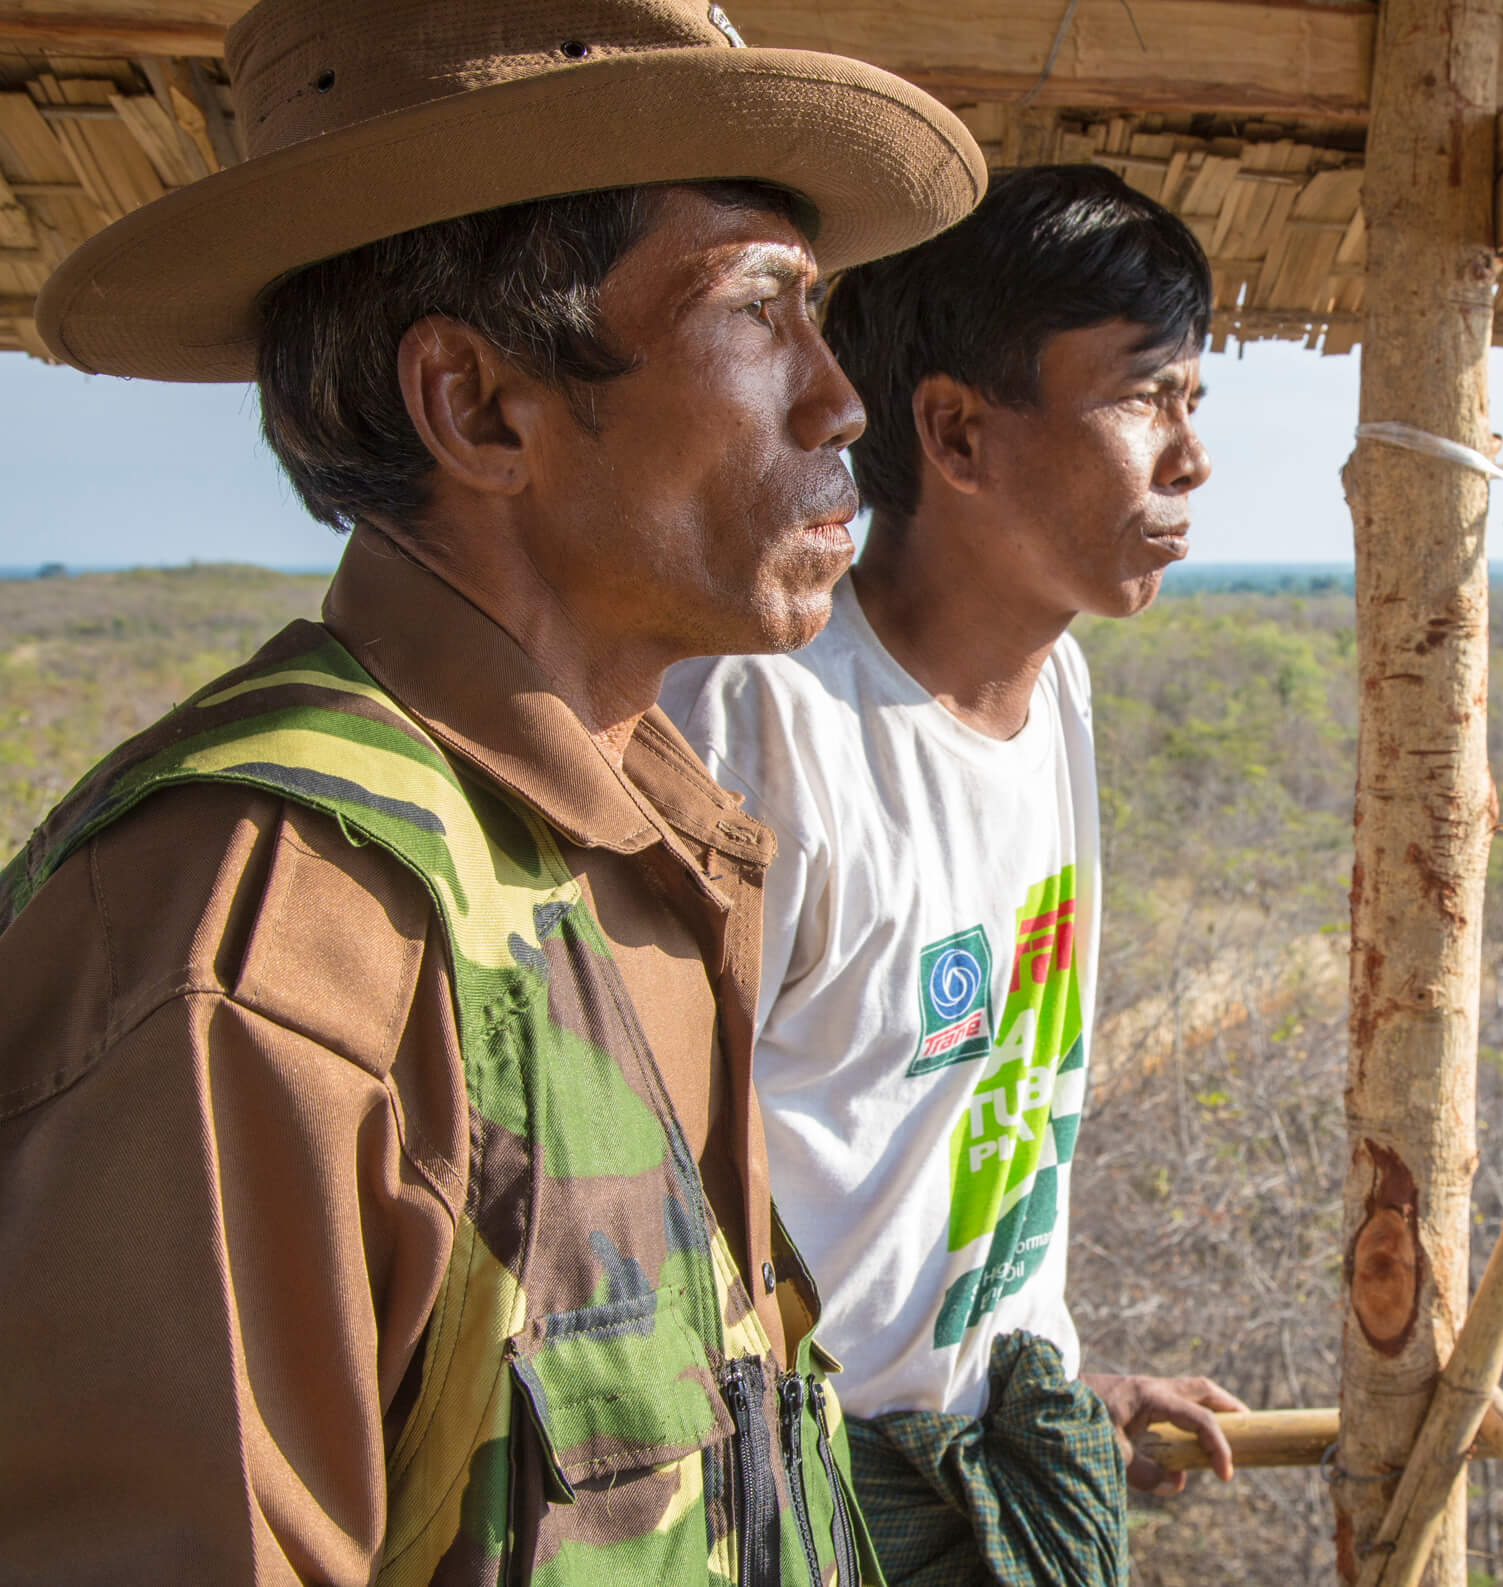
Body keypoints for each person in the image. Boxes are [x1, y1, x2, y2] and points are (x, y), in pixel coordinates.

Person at [0, 2, 984, 1583]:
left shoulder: (641, 842)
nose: (840, 398)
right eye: (758, 313)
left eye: (822, 315)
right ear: (477, 406)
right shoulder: (267, 940)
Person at [662, 164, 1240, 1586]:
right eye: (1142, 399)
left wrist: (1033, 1379)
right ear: (958, 434)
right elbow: (653, 1194)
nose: (1191, 459)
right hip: (799, 1506)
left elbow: (949, 1139)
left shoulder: (1062, 698)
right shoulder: (761, 721)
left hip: (973, 1475)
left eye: (1194, 404)